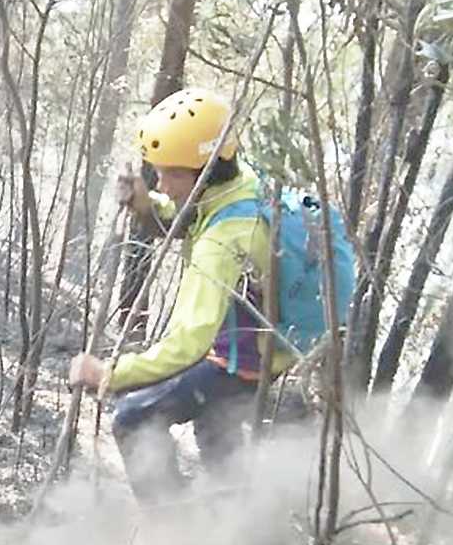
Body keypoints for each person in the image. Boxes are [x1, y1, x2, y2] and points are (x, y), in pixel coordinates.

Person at [69, 88, 293, 497]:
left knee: (134, 417)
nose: (163, 183)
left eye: (172, 173)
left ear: (207, 169)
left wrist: (110, 375)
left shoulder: (225, 239)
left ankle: (170, 530)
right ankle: (241, 526)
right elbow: (191, 214)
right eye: (158, 172)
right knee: (215, 430)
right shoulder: (239, 185)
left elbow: (190, 342)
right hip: (262, 343)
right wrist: (145, 203)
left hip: (243, 358)